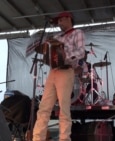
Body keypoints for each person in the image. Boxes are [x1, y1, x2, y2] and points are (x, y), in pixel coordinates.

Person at [32, 11, 85, 141]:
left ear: (69, 19)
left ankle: (64, 139)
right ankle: (37, 138)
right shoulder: (57, 37)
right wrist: (45, 53)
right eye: (58, 21)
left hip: (66, 71)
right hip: (53, 71)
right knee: (44, 108)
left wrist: (65, 56)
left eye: (61, 20)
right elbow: (49, 53)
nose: (59, 23)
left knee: (64, 108)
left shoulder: (77, 33)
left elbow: (81, 52)